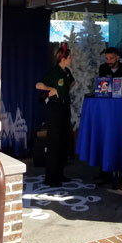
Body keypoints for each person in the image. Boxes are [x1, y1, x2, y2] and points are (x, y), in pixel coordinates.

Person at [35, 43, 75, 187]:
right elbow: (39, 85)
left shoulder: (67, 71)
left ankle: (60, 173)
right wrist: (51, 88)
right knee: (54, 142)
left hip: (64, 106)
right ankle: (51, 177)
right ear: (63, 58)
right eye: (69, 57)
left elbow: (71, 82)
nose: (71, 59)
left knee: (64, 140)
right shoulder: (54, 72)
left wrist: (64, 88)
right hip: (55, 108)